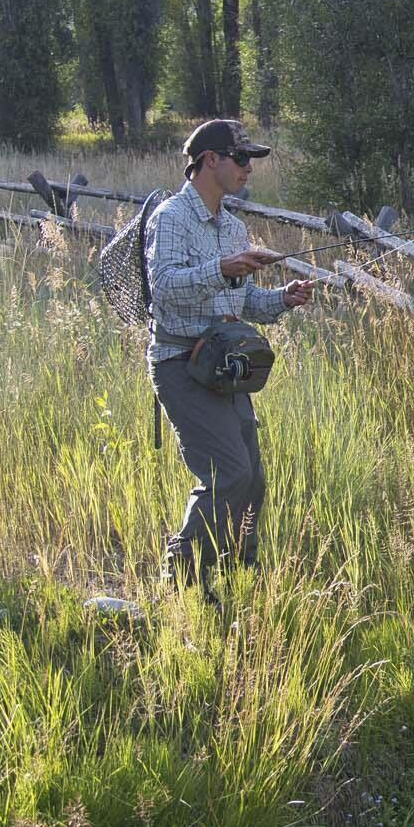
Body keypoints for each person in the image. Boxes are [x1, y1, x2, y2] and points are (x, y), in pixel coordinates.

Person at [145, 118, 314, 593]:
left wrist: (283, 297)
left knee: (253, 480)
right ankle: (181, 575)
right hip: (181, 365)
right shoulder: (172, 218)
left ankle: (241, 574)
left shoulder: (235, 228)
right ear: (209, 161)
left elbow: (244, 304)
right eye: (241, 159)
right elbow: (165, 289)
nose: (248, 169)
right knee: (229, 474)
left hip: (226, 368)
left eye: (251, 161)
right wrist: (220, 269)